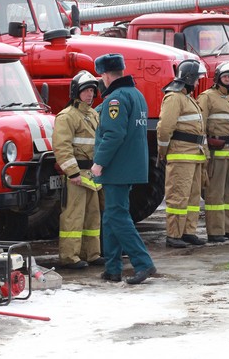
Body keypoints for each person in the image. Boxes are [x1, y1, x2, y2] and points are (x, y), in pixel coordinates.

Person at [91, 53, 156, 285]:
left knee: (117, 216)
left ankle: (143, 263)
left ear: (106, 75)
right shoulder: (136, 95)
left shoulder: (115, 99)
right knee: (111, 217)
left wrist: (99, 162)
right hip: (131, 165)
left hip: (117, 167)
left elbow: (114, 134)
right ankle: (113, 269)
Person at [53, 70, 103, 269]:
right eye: (86, 91)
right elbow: (62, 147)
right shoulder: (67, 117)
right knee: (73, 217)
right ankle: (69, 256)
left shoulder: (93, 114)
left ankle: (92, 254)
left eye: (92, 91)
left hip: (92, 175)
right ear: (76, 92)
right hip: (77, 176)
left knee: (92, 216)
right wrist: (72, 172)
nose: (90, 94)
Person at [157, 59, 208, 248]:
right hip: (181, 156)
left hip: (194, 156)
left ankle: (188, 232)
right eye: (196, 79)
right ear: (188, 78)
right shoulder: (174, 98)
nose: (198, 82)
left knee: (193, 197)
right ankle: (174, 234)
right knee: (178, 196)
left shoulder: (188, 99)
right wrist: (163, 151)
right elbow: (165, 129)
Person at [198, 62, 229, 243]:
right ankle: (215, 231)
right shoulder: (207, 97)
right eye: (225, 76)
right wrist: (205, 152)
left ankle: (228, 229)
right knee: (215, 194)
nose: (228, 79)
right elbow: (200, 127)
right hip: (216, 154)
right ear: (218, 77)